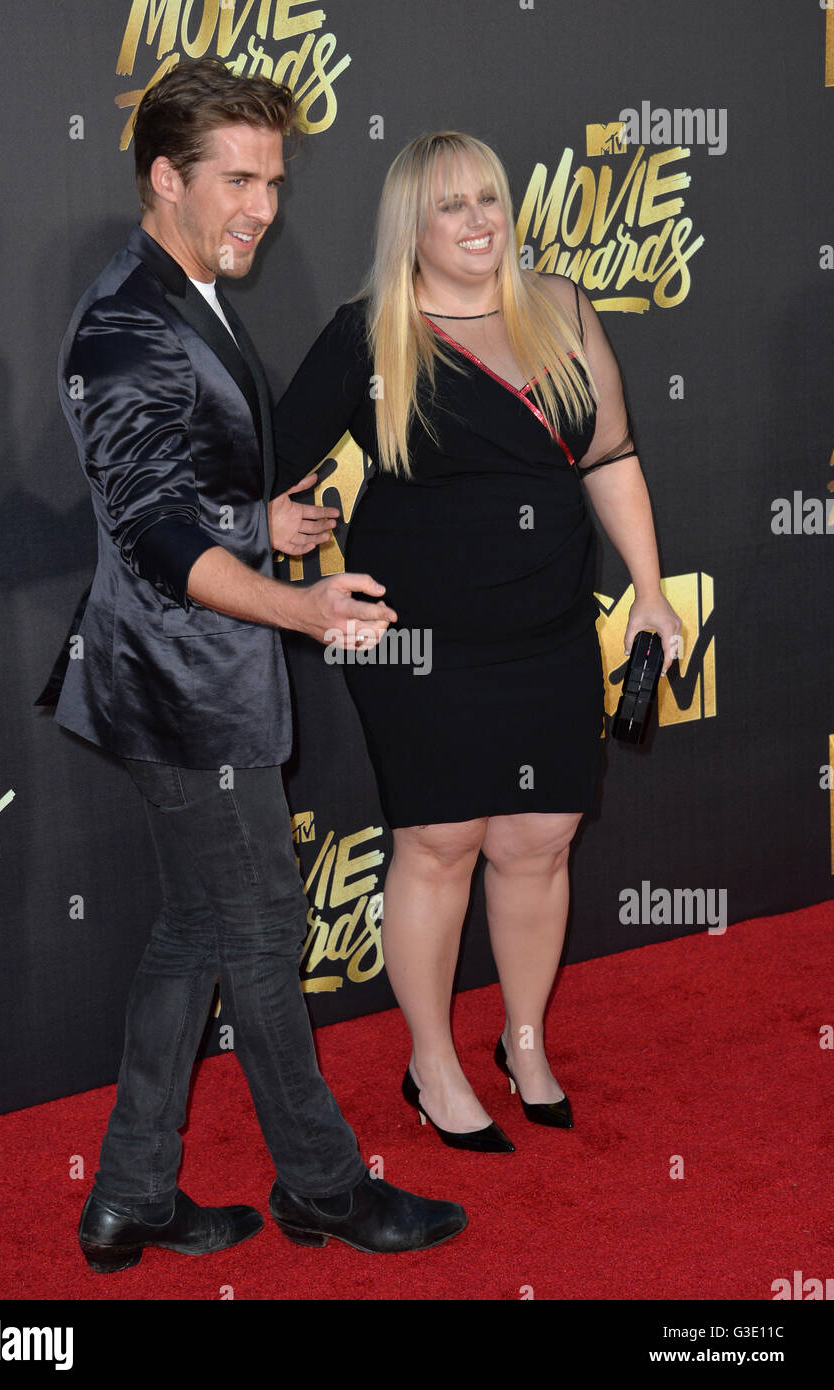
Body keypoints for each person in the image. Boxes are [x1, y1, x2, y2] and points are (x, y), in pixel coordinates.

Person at [45, 64, 467, 1269]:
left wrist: (259, 523)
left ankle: (127, 1193)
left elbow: (187, 501)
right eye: (238, 179)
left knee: (195, 927)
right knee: (265, 933)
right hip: (186, 690)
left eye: (274, 181)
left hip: (182, 670)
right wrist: (295, 601)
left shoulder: (184, 287)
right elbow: (156, 538)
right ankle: (328, 1189)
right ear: (162, 178)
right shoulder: (128, 324)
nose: (263, 206)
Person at [273, 131, 682, 1153]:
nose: (477, 221)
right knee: (441, 844)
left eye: (489, 199)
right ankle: (433, 1061)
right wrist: (288, 527)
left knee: (538, 840)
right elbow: (269, 459)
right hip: (421, 644)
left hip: (545, 628)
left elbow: (613, 456)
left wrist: (649, 592)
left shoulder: (563, 309)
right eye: (451, 205)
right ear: (411, 223)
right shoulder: (371, 332)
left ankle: (525, 1040)